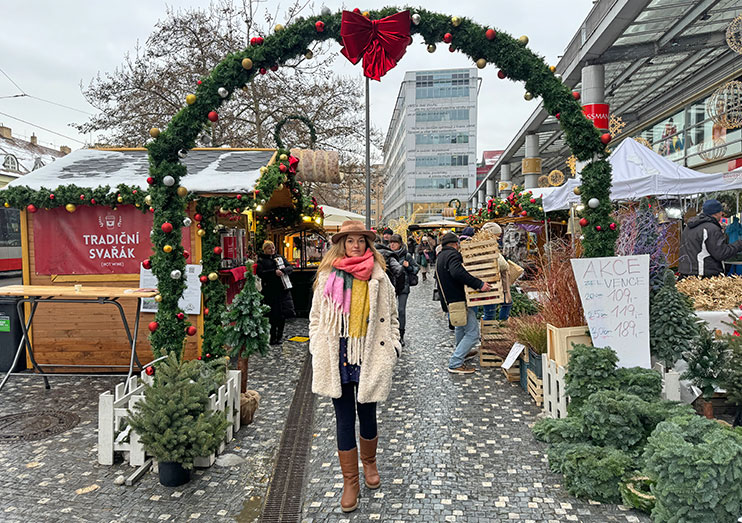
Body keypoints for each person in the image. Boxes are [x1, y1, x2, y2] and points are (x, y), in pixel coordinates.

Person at [308, 220, 401, 513]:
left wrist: (394, 349)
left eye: (361, 240)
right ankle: (351, 481)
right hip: (338, 355)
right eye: (350, 241)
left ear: (367, 244)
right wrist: (315, 345)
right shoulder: (326, 277)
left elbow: (393, 318)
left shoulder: (379, 277)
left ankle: (369, 464)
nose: (356, 245)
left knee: (368, 413)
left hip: (370, 353)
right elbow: (315, 318)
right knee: (344, 419)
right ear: (341, 244)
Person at [436, 232, 493, 374]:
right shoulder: (453, 255)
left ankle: (462, 352)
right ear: (456, 244)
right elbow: (457, 272)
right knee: (473, 333)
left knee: (460, 326)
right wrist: (479, 284)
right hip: (458, 298)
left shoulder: (441, 256)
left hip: (450, 299)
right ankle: (456, 362)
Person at [679, 199, 742, 278]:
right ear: (717, 213)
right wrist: (739, 244)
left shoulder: (688, 227)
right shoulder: (711, 228)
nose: (722, 214)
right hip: (703, 276)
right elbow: (721, 253)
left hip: (687, 275)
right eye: (721, 212)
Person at [256, 240, 295, 345]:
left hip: (282, 290)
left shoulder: (280, 258)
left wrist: (283, 271)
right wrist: (273, 273)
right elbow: (260, 273)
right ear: (265, 250)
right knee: (272, 316)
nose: (272, 250)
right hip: (270, 291)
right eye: (269, 248)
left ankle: (280, 336)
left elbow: (290, 267)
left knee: (282, 315)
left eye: (273, 248)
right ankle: (272, 336)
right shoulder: (261, 260)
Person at [388, 233, 419, 346]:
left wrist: (408, 267)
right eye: (391, 242)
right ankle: (390, 334)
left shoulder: (407, 255)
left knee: (401, 310)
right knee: (389, 311)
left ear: (400, 244)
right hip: (391, 286)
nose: (392, 244)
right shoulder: (388, 255)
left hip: (403, 286)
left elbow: (416, 268)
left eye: (394, 242)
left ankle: (401, 335)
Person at [481, 222, 513, 321]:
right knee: (491, 311)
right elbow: (502, 265)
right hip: (491, 284)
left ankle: (496, 328)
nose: (499, 238)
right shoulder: (487, 247)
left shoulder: (486, 246)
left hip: (493, 283)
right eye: (497, 236)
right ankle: (493, 329)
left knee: (495, 308)